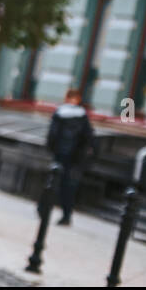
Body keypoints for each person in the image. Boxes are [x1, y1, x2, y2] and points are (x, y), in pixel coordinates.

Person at [45, 88, 95, 226]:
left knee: (52, 181)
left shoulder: (60, 113)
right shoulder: (83, 116)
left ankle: (43, 209)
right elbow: (88, 137)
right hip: (74, 158)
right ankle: (66, 215)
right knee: (68, 185)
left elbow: (52, 134)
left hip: (60, 154)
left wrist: (52, 149)